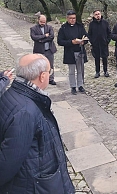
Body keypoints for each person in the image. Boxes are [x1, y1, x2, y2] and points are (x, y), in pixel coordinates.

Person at [0, 54, 75, 193]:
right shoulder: (26, 112)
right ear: (42, 76)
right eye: (49, 72)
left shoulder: (13, 93)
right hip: (36, 186)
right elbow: (7, 164)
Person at [58, 10, 88, 95]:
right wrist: (71, 42)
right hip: (70, 52)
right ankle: (73, 86)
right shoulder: (63, 28)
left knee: (80, 70)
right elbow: (60, 41)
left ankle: (80, 85)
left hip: (80, 51)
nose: (72, 20)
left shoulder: (80, 26)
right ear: (67, 18)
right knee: (71, 71)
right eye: (71, 18)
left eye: (74, 18)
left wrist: (83, 41)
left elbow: (86, 36)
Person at [30, 14, 57, 85]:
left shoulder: (49, 27)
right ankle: (40, 80)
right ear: (38, 20)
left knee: (50, 65)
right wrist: (44, 36)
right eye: (41, 22)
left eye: (44, 22)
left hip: (49, 50)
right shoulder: (33, 29)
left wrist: (41, 40)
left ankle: (51, 79)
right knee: (39, 66)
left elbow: (51, 37)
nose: (43, 23)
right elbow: (34, 37)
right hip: (39, 50)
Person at [88, 9, 111, 78]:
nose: (98, 15)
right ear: (94, 16)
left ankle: (105, 71)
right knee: (97, 58)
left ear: (101, 14)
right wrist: (92, 41)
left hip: (104, 43)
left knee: (105, 58)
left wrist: (107, 41)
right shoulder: (91, 24)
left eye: (99, 14)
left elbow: (109, 33)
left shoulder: (105, 23)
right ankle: (97, 72)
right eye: (96, 14)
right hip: (95, 44)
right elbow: (89, 34)